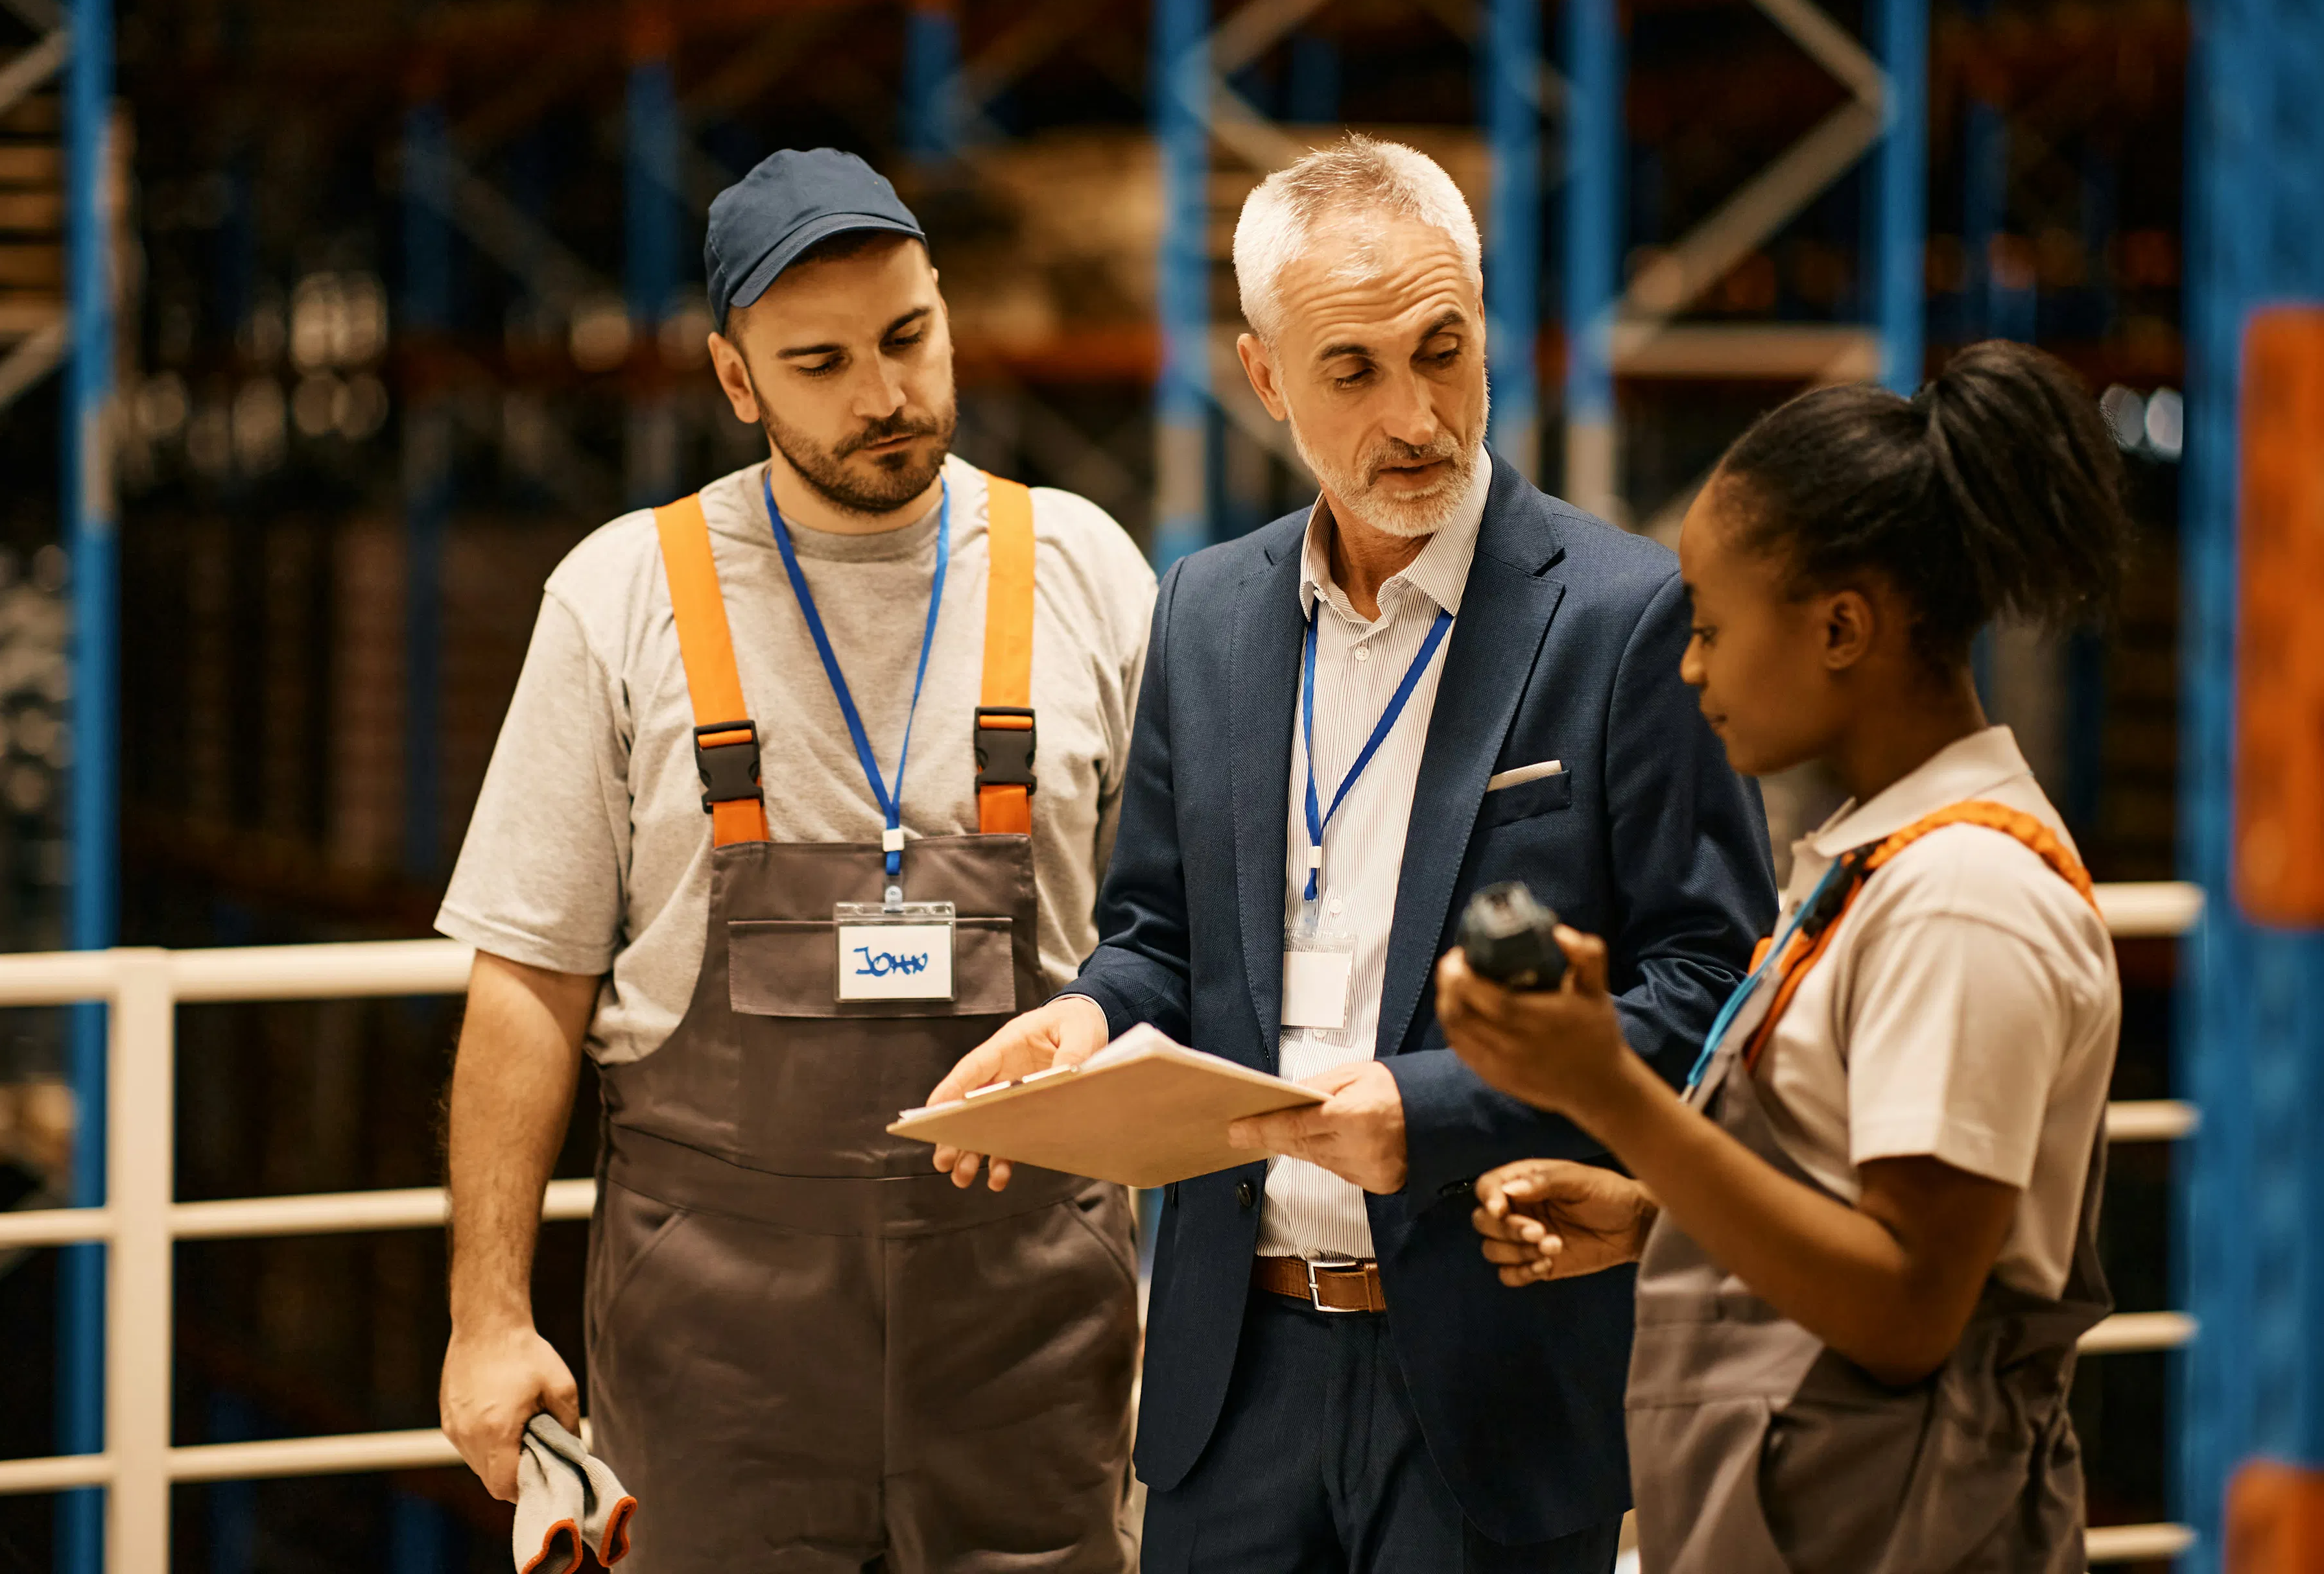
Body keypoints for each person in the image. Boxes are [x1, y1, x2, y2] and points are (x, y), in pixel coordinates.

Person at [932, 136, 1776, 1571]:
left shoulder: (1626, 615)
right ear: (1265, 379)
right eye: (1355, 371)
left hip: (1493, 1380)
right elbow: (1157, 935)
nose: (1418, 417)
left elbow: (1711, 983)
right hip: (1232, 1373)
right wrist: (1083, 1015)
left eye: (1444, 351)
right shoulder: (1207, 612)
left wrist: (1431, 1107)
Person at [433, 147, 1156, 1571]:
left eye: (908, 337)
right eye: (819, 362)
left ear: (945, 306)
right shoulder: (620, 597)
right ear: (735, 378)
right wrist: (488, 1316)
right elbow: (528, 981)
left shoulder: (1086, 571)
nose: (883, 395)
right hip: (716, 1357)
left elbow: (1173, 937)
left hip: (1030, 1339)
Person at [1436, 340, 2130, 1573]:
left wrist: (1610, 1095)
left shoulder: (1961, 900)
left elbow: (1911, 1308)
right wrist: (1659, 1220)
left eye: (1709, 627)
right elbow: (1849, 1196)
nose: (1692, 668)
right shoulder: (1882, 864)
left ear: (1843, 627)